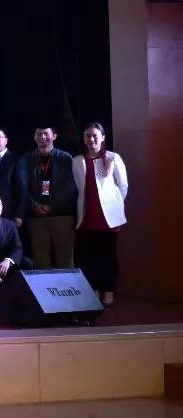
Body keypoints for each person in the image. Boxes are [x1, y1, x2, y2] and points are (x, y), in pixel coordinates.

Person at [73, 121, 128, 305]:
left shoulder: (113, 158)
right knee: (89, 257)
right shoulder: (77, 160)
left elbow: (123, 186)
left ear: (103, 137)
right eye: (88, 136)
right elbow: (78, 188)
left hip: (108, 218)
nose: (91, 139)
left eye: (95, 135)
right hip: (87, 217)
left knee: (108, 257)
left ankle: (109, 290)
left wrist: (114, 204)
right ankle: (94, 290)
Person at [16, 126, 76, 269]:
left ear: (54, 136)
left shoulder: (65, 158)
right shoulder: (25, 159)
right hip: (35, 217)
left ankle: (66, 285)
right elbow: (21, 187)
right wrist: (34, 205)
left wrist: (51, 206)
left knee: (65, 259)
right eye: (39, 134)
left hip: (61, 216)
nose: (42, 137)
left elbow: (70, 186)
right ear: (34, 137)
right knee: (40, 260)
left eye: (45, 133)